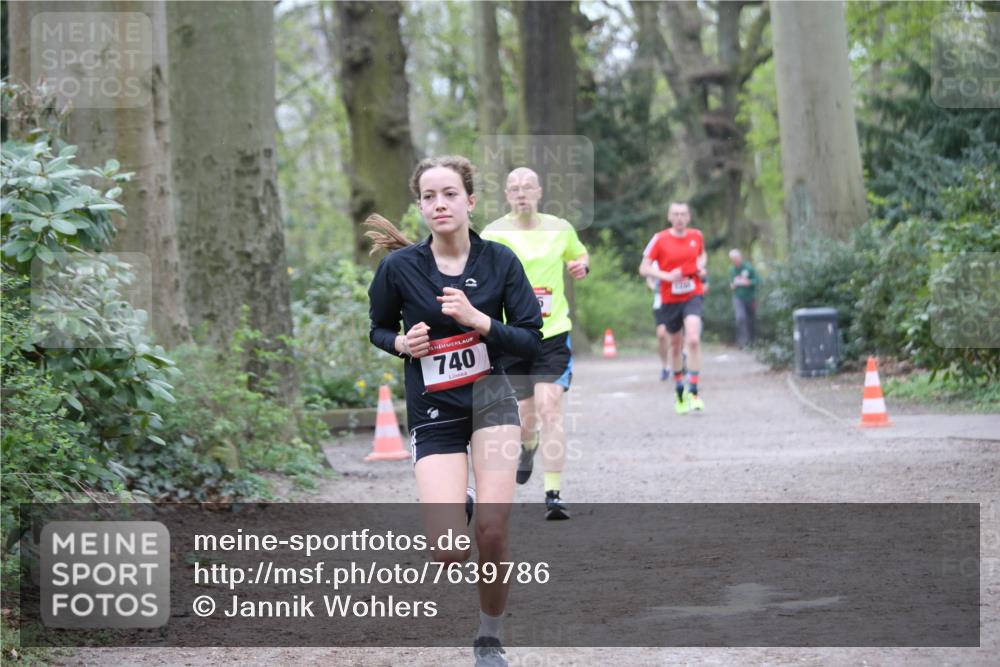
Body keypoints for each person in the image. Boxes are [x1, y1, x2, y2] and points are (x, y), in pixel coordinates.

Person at [367, 155, 542, 667]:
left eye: (449, 194)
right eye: (428, 196)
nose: (439, 204)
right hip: (435, 411)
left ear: (470, 200)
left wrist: (480, 322)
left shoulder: (500, 261)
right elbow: (377, 328)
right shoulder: (399, 269)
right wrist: (403, 343)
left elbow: (530, 340)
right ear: (420, 205)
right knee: (448, 550)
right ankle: (461, 497)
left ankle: (489, 637)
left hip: (492, 402)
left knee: (492, 529)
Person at [481, 167, 589, 521]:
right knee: (526, 418)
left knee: (549, 406)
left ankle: (553, 494)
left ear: (539, 191)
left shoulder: (559, 227)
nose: (521, 192)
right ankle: (527, 448)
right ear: (507, 195)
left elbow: (579, 254)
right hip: (513, 336)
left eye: (527, 187)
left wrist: (580, 266)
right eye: (514, 188)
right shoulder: (493, 234)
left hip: (553, 332)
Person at [639, 201, 707, 415]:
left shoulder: (697, 236)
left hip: (692, 293)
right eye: (675, 214)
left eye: (683, 214)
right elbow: (644, 268)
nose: (679, 218)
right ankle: (679, 389)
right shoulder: (659, 239)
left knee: (693, 338)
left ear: (688, 217)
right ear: (669, 217)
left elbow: (702, 255)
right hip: (669, 298)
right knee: (675, 346)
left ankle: (694, 391)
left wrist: (700, 266)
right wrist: (666, 276)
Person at [728, 248, 758, 348]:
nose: (735, 261)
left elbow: (757, 280)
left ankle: (752, 342)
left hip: (750, 297)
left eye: (736, 258)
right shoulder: (731, 270)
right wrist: (732, 285)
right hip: (738, 297)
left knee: (751, 319)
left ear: (740, 257)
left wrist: (749, 282)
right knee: (740, 317)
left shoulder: (748, 267)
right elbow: (731, 283)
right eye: (733, 259)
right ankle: (742, 342)